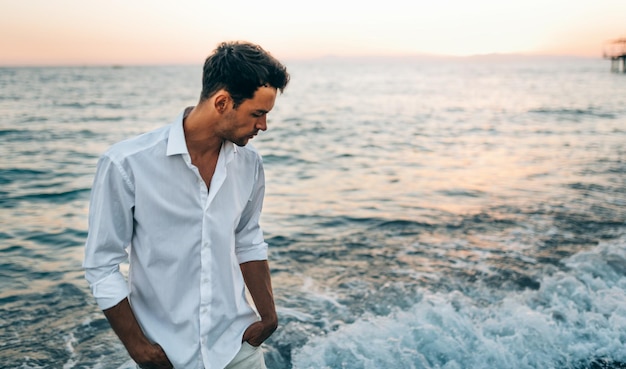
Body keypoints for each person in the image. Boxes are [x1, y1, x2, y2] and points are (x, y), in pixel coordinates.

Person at [83, 41, 290, 369]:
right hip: (165, 356)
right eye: (258, 113)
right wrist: (140, 350)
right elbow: (101, 264)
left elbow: (247, 238)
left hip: (237, 348)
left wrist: (269, 316)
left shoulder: (249, 165)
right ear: (222, 101)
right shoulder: (127, 164)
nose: (263, 126)